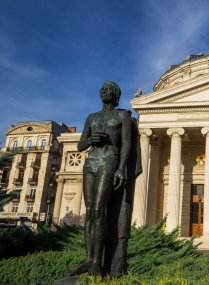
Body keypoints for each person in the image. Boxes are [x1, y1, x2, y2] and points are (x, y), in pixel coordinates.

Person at [72, 81, 133, 276]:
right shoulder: (92, 117)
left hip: (109, 160)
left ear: (116, 96)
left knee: (99, 209)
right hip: (91, 162)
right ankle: (89, 259)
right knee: (90, 211)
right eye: (103, 89)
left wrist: (122, 168)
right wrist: (91, 140)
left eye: (110, 90)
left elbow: (126, 144)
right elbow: (80, 145)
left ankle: (99, 262)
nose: (105, 91)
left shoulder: (122, 116)